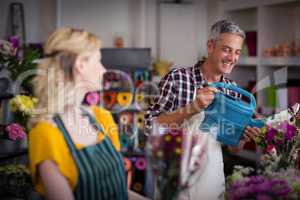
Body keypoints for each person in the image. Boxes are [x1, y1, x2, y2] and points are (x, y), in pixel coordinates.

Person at [145, 20, 261, 199]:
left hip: (211, 178)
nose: (232, 58)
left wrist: (243, 137)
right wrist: (193, 108)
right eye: (227, 49)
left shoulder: (232, 89)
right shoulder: (178, 78)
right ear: (210, 46)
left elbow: (233, 148)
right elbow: (150, 127)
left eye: (237, 52)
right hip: (175, 177)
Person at [28, 28, 147, 200]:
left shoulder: (101, 117)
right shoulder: (47, 134)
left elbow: (118, 191)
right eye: (98, 60)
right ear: (81, 65)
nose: (104, 69)